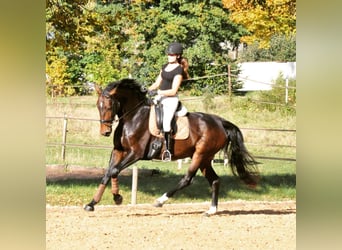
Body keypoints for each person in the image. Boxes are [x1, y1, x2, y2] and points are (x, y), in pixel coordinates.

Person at [148, 42, 190, 161]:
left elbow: (173, 90)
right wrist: (147, 89)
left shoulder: (179, 70)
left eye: (171, 55)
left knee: (166, 123)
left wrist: (158, 92)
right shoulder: (165, 66)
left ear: (177, 56)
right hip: (160, 97)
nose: (169, 56)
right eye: (168, 54)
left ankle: (167, 151)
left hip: (171, 100)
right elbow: (157, 83)